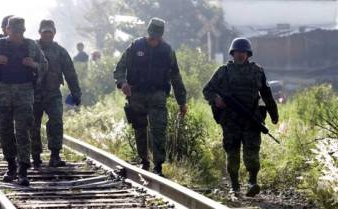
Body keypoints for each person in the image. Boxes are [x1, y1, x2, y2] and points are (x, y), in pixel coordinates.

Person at [0, 17, 48, 186]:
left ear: (24, 31)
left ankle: (23, 169)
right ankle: (11, 166)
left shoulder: (31, 45)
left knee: (23, 130)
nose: (17, 35)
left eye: (20, 32)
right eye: (14, 32)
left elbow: (45, 65)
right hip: (3, 93)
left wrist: (34, 65)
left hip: (24, 93)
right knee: (5, 130)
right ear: (7, 30)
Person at [203, 37, 279, 197]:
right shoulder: (223, 71)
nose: (241, 55)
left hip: (252, 119)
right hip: (230, 120)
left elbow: (266, 93)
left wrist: (273, 113)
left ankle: (252, 181)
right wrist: (217, 99)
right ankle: (235, 185)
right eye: (238, 52)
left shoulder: (257, 71)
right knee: (232, 153)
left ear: (248, 54)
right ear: (232, 53)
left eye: (244, 52)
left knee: (252, 152)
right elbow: (207, 90)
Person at [113, 17, 187, 176]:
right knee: (140, 129)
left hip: (158, 96)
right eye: (152, 36)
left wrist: (182, 102)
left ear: (161, 36)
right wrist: (123, 83)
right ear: (148, 33)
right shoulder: (135, 47)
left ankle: (158, 166)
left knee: (159, 129)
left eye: (157, 37)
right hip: (137, 95)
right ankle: (144, 161)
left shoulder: (167, 51)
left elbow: (176, 77)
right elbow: (119, 69)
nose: (154, 40)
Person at [31, 19, 81, 168]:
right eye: (45, 32)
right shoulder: (31, 48)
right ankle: (35, 156)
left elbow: (70, 73)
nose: (47, 34)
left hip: (53, 93)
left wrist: (76, 92)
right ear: (40, 32)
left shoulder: (60, 51)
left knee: (56, 122)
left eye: (50, 32)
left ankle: (55, 155)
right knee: (33, 125)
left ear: (54, 33)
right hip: (33, 94)